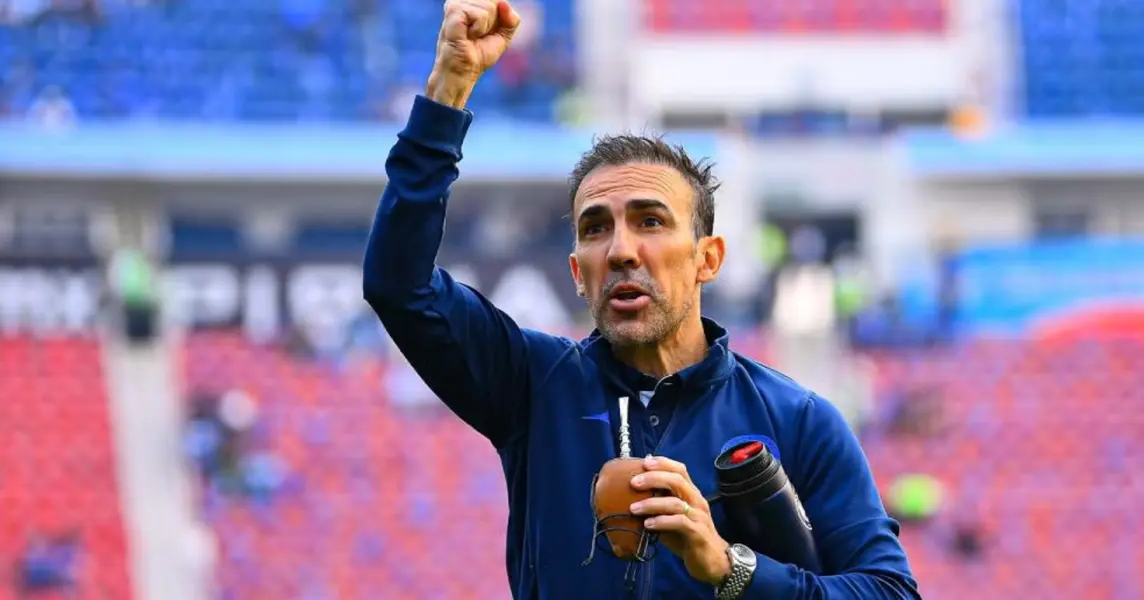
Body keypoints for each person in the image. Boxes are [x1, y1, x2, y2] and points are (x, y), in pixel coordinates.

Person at [361, 1, 920, 598]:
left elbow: (889, 591)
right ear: (579, 273)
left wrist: (730, 568)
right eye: (596, 228)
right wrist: (449, 87)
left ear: (708, 258)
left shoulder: (799, 420)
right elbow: (399, 285)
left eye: (650, 221)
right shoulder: (531, 384)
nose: (622, 250)